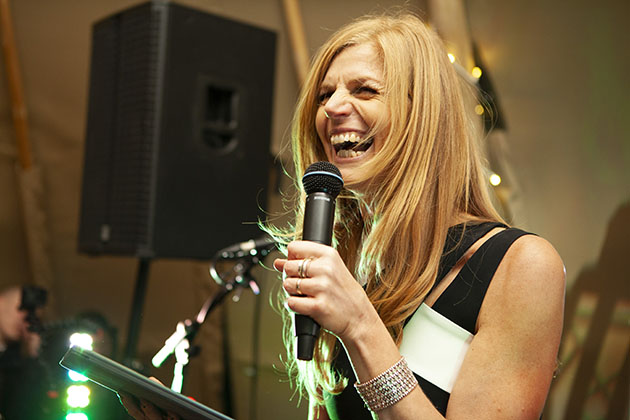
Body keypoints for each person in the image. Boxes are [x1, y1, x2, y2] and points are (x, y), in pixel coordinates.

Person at [122, 11, 565, 420]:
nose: (332, 108)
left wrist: (359, 324)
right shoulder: (356, 262)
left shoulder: (521, 267)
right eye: (324, 94)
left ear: (423, 116)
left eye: (365, 90)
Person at [0, 284, 50, 419]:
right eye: (22, 309)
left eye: (33, 316)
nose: (25, 319)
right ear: (1, 302)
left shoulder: (15, 363)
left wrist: (32, 356)